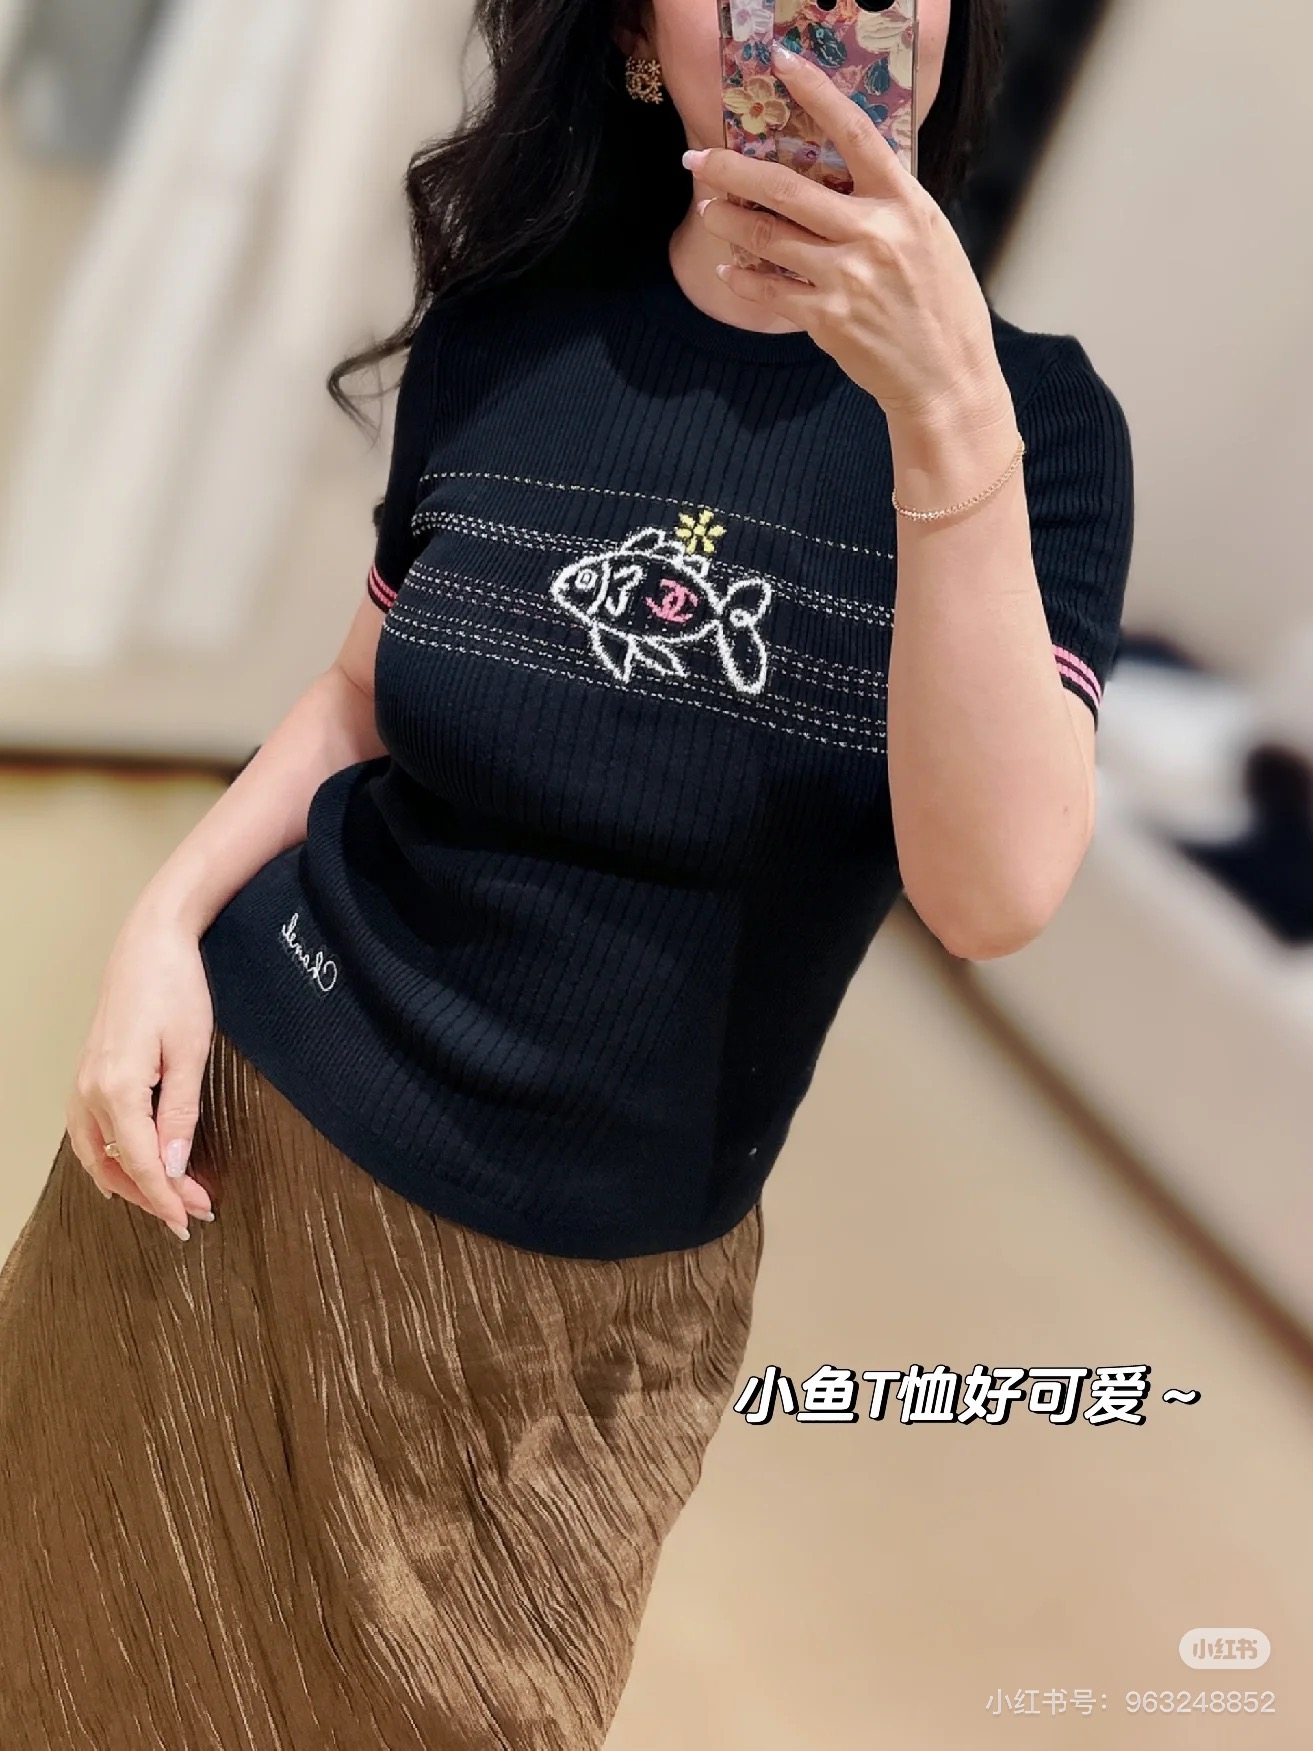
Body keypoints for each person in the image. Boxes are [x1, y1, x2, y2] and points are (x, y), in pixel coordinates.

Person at [0, 0, 1134, 1744]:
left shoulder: (1033, 422)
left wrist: (942, 419)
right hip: (224, 1167)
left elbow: (990, 895)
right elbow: (363, 692)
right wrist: (162, 921)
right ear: (632, 36)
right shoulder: (510, 328)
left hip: (571, 1320)